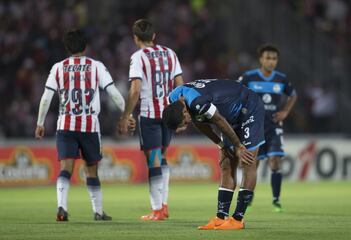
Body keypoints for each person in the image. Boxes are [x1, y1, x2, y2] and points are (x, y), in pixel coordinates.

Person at [35, 29, 133, 221]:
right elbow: (113, 92)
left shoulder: (58, 67)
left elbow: (46, 97)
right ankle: (98, 212)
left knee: (66, 169)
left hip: (66, 126)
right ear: (85, 46)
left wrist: (40, 122)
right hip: (89, 127)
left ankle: (61, 207)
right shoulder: (96, 66)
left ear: (67, 48)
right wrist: (126, 114)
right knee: (91, 170)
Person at [162, 79, 265, 230]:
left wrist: (238, 146)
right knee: (226, 163)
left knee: (247, 161)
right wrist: (221, 145)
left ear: (184, 111)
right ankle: (221, 217)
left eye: (184, 123)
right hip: (230, 117)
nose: (186, 126)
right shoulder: (173, 99)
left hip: (248, 108)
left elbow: (218, 119)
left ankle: (238, 219)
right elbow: (199, 122)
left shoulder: (197, 102)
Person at [118, 19, 184, 221]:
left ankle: (157, 210)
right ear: (154, 36)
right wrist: (182, 114)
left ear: (135, 38)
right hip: (169, 114)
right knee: (162, 158)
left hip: (149, 115)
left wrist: (125, 115)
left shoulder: (137, 57)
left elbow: (136, 89)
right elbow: (180, 85)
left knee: (153, 160)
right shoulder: (170, 54)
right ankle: (163, 206)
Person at [239, 44, 297, 212]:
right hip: (255, 127)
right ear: (261, 59)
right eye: (268, 58)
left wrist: (285, 111)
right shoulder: (248, 77)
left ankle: (276, 200)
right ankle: (248, 198)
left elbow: (293, 95)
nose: (271, 61)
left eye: (274, 58)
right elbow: (237, 93)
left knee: (275, 161)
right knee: (253, 164)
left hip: (274, 126)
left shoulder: (281, 79)